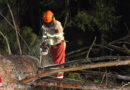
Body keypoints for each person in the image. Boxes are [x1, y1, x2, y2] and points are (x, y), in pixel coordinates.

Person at [40, 10, 66, 79]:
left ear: (53, 19)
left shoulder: (57, 25)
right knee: (54, 61)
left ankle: (59, 78)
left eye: (49, 23)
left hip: (59, 45)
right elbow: (44, 36)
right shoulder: (44, 26)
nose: (47, 25)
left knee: (59, 63)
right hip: (52, 45)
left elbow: (58, 39)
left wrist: (48, 45)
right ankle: (53, 75)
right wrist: (44, 45)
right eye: (46, 23)